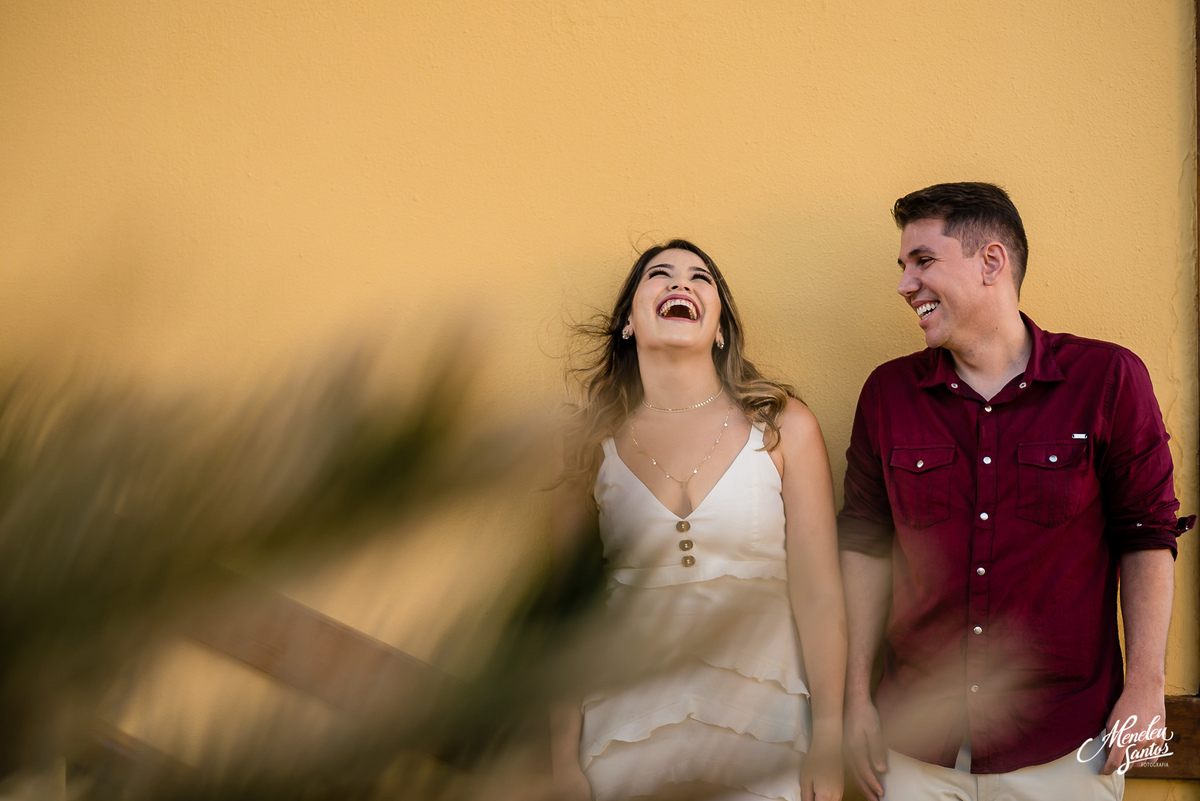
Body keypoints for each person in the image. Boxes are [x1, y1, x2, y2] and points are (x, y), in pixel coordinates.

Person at [838, 182, 1193, 801]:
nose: (904, 285)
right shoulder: (887, 395)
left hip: (1065, 748)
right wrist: (853, 701)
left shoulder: (1107, 380)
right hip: (915, 747)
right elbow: (865, 550)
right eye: (903, 266)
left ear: (991, 263)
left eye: (923, 261)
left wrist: (1146, 687)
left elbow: (1146, 538)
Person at [551, 239, 847, 801]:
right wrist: (562, 758)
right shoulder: (588, 446)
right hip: (625, 738)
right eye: (658, 276)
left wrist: (828, 740)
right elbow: (567, 611)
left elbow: (820, 596)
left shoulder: (784, 428)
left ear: (719, 329)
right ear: (629, 324)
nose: (680, 284)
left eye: (700, 278)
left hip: (765, 736)